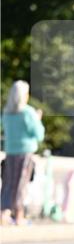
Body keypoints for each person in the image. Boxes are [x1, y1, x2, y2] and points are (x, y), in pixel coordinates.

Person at [0, 80, 44, 226]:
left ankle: (4, 212)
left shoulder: (7, 113)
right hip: (25, 152)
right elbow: (38, 134)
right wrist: (38, 120)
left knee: (8, 183)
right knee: (21, 183)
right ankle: (19, 216)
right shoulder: (28, 112)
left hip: (10, 152)